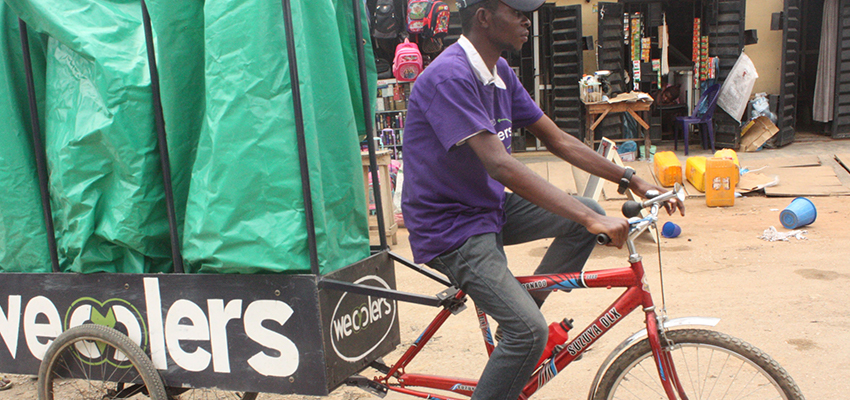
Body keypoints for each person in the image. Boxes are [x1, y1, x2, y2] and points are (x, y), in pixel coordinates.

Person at [399, 0, 685, 398]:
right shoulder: (450, 76)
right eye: (516, 12)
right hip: (450, 225)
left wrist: (631, 178)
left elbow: (558, 139)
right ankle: (519, 324)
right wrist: (591, 222)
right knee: (528, 333)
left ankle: (522, 308)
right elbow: (501, 166)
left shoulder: (498, 73)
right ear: (483, 17)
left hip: (486, 207)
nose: (526, 21)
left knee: (588, 211)